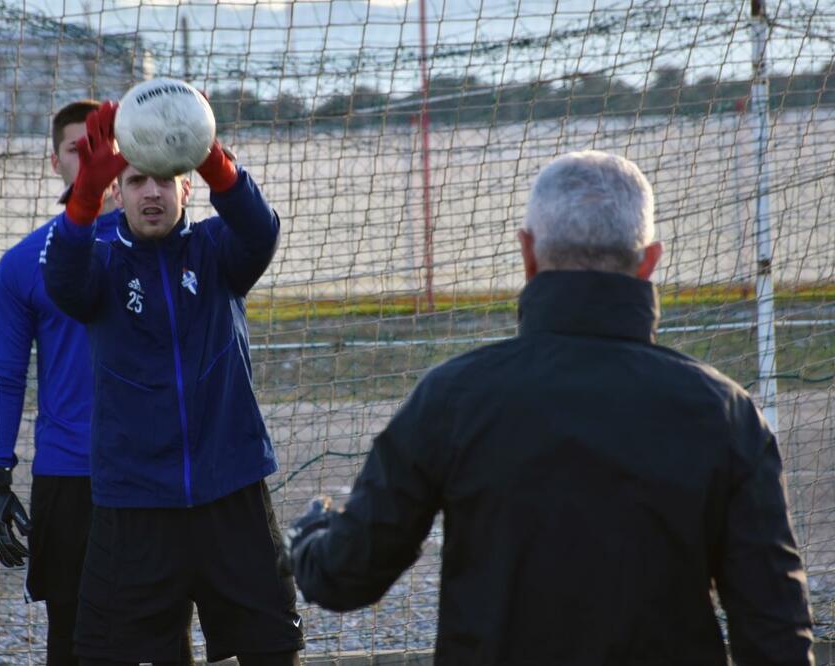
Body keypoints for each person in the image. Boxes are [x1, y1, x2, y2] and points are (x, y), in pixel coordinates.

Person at [288, 151, 814, 665]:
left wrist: (310, 536)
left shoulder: (453, 398)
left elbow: (346, 576)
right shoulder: (724, 413)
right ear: (650, 261)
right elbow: (777, 635)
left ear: (528, 254)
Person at [42, 101, 303, 666]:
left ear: (187, 187)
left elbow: (261, 231)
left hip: (231, 489)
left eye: (165, 178)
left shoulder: (216, 250)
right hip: (134, 503)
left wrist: (211, 154)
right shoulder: (102, 261)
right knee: (102, 653)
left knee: (275, 648)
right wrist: (82, 196)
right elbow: (62, 281)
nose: (151, 193)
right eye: (136, 180)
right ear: (119, 191)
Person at [0, 99, 193, 666]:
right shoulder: (24, 264)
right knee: (74, 641)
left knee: (168, 637)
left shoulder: (160, 246)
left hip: (153, 470)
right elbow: (4, 375)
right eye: (80, 151)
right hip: (71, 477)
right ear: (56, 163)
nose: (93, 161)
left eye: (105, 150)